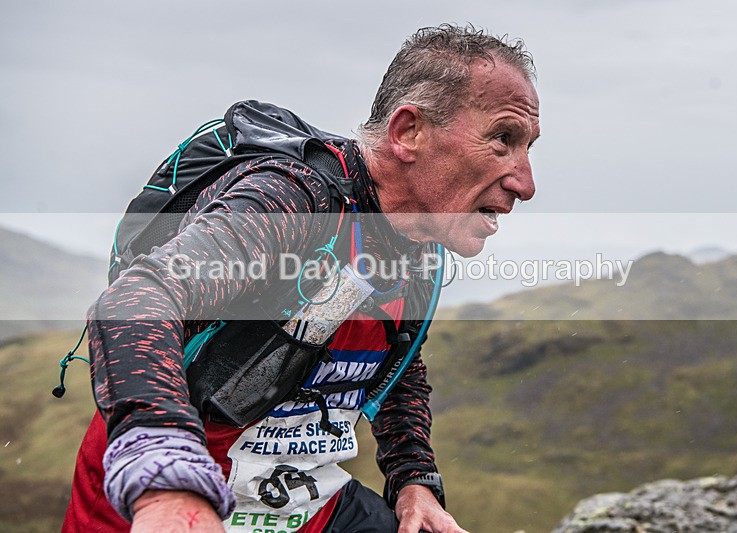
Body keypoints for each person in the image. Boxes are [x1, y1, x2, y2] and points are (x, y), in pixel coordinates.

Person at [62, 23, 540, 533]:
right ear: (409, 132)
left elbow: (395, 371)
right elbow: (137, 299)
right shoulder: (291, 203)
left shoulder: (417, 242)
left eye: (528, 146)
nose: (526, 183)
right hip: (171, 507)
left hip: (306, 508)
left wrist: (414, 482)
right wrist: (165, 477)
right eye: (502, 140)